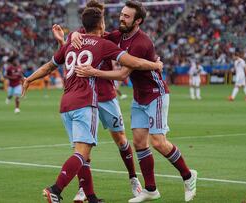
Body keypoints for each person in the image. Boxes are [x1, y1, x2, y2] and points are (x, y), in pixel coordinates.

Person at [22, 7, 163, 203]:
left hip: (67, 103)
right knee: (82, 153)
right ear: (101, 23)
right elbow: (133, 63)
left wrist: (29, 78)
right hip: (85, 101)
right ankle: (55, 189)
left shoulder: (72, 43)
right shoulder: (102, 43)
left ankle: (92, 196)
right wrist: (155, 64)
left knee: (88, 150)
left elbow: (49, 66)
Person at [74, 1, 197, 202]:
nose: (122, 18)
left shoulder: (142, 42)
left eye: (127, 16)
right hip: (139, 96)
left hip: (155, 94)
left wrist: (94, 72)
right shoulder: (118, 35)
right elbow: (93, 34)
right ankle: (150, 189)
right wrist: (75, 35)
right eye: (122, 14)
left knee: (158, 142)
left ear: (138, 21)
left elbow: (123, 74)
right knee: (139, 142)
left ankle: (188, 175)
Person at [52, 1, 141, 201]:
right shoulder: (77, 35)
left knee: (120, 139)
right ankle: (84, 189)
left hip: (106, 95)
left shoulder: (108, 37)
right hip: (84, 97)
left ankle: (133, 178)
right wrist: (65, 40)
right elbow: (68, 58)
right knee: (84, 149)